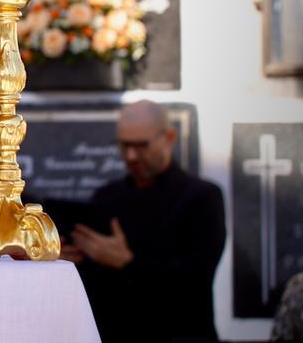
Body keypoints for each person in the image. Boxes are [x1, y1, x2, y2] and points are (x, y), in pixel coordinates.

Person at [63, 100, 226, 342]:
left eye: (141, 146)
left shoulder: (202, 197)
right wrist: (71, 261)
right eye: (124, 146)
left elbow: (194, 280)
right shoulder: (107, 197)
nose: (131, 156)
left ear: (169, 138)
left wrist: (127, 262)